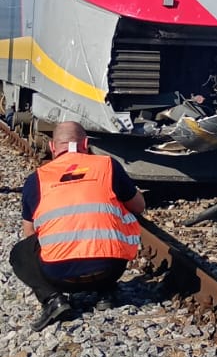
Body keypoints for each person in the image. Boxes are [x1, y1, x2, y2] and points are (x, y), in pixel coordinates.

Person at [9, 120, 145, 331]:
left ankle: (53, 299)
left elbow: (30, 234)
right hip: (110, 270)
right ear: (86, 144)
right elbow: (139, 206)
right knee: (116, 220)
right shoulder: (108, 165)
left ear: (53, 147)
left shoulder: (36, 179)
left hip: (59, 277)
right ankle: (105, 292)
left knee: (19, 253)